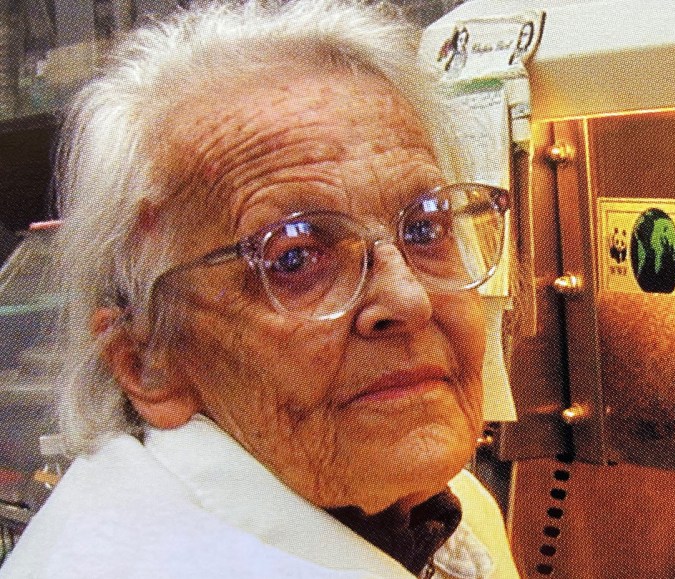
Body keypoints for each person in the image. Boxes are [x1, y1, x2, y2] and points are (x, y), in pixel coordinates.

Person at [0, 0, 520, 577]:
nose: (409, 298)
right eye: (294, 257)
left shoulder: (445, 507)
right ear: (147, 362)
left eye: (424, 227)